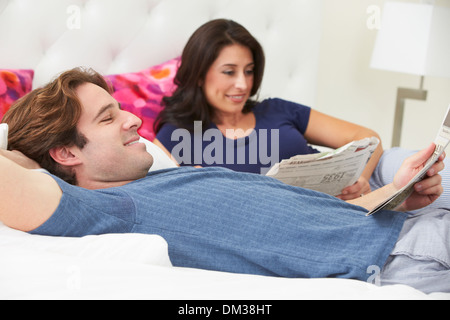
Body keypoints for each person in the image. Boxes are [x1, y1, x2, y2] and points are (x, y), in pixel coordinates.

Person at [0, 68, 447, 293]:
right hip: (402, 256)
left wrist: (394, 194)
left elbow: (308, 225)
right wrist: (19, 150)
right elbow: (15, 184)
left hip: (399, 225)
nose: (135, 119)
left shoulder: (161, 181)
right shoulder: (109, 209)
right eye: (108, 117)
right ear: (66, 153)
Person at [154, 19, 383, 200]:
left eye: (249, 71)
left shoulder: (278, 110)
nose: (243, 84)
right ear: (199, 75)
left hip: (340, 206)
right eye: (229, 72)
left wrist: (360, 180)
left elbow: (366, 137)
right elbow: (152, 196)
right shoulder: (177, 134)